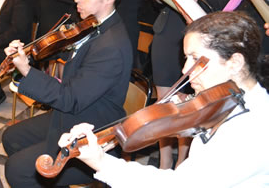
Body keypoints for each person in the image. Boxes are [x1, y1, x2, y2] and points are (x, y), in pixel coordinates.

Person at [58, 11, 269, 187]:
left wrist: (102, 162)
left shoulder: (252, 130)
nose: (186, 69)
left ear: (234, 62)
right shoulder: (224, 101)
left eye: (197, 59)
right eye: (187, 58)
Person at [2, 0, 132, 187]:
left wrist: (26, 71)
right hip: (75, 113)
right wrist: (27, 55)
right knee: (11, 137)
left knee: (16, 170)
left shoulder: (111, 46)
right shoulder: (92, 25)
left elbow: (69, 98)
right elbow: (58, 52)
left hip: (93, 131)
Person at [151, 0, 240, 169]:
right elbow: (159, 0)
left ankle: (185, 162)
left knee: (192, 101)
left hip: (201, 34)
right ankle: (165, 162)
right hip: (169, 31)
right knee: (165, 101)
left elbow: (228, 0)